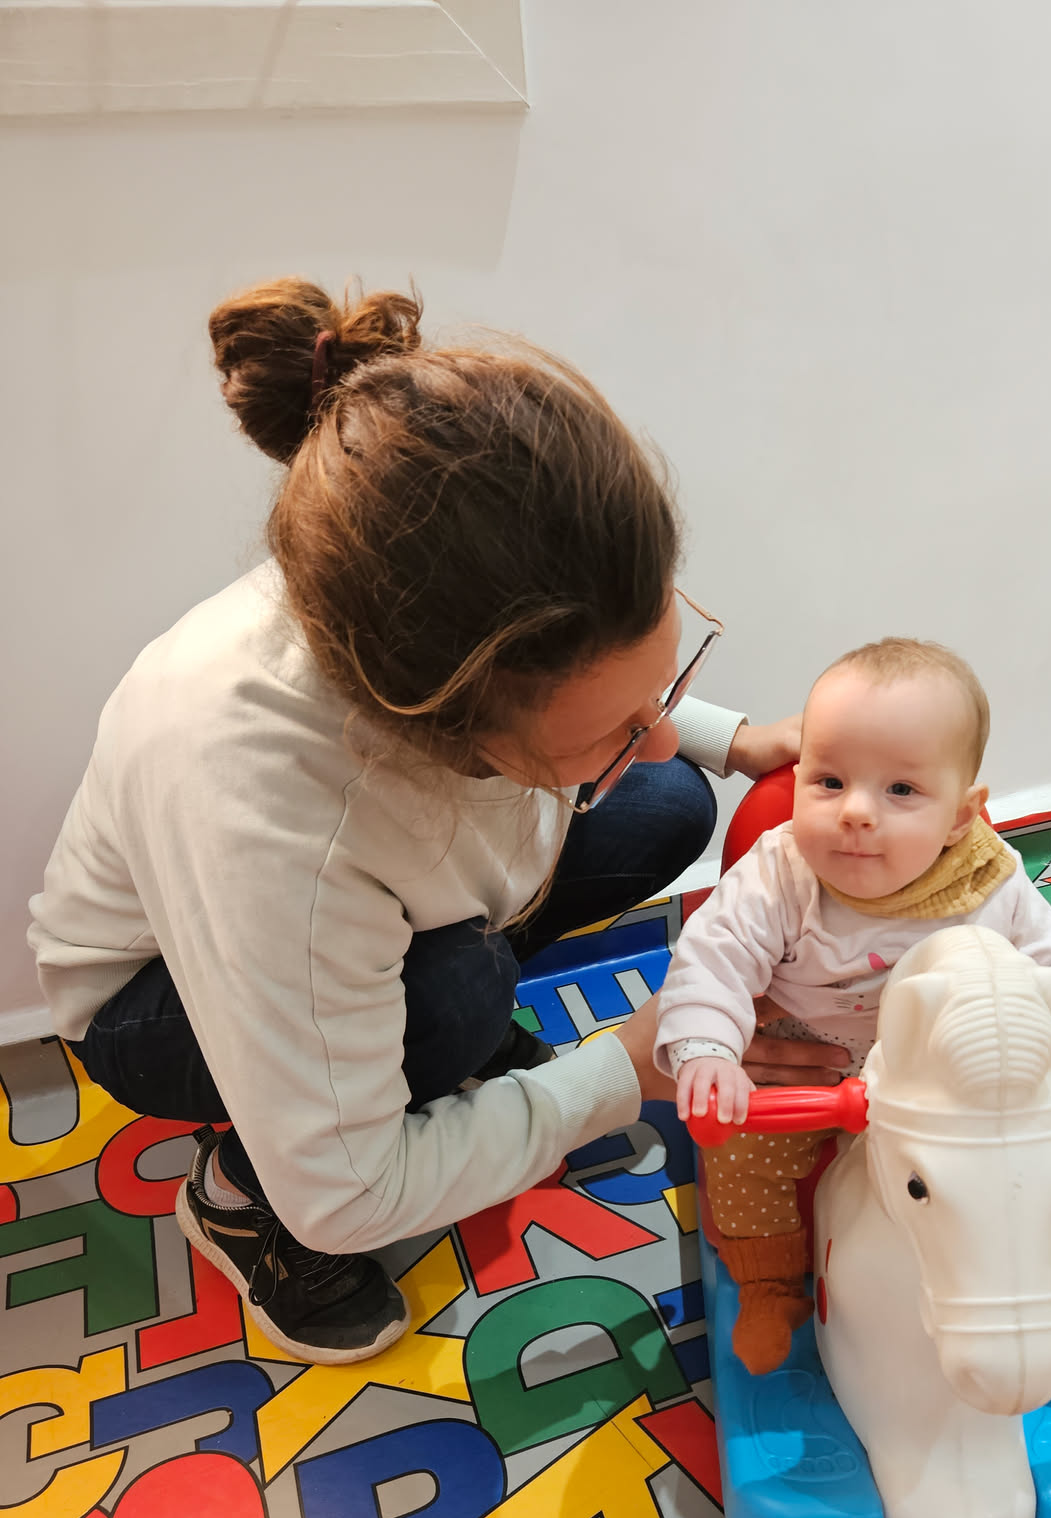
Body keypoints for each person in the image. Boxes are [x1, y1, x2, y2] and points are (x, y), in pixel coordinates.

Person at [28, 277, 845, 1366]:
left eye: (664, 682)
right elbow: (350, 1193)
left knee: (666, 802)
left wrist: (730, 737)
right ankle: (240, 1193)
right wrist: (624, 1071)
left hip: (369, 879)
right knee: (463, 992)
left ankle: (433, 1037)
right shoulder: (275, 810)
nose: (655, 734)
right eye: (616, 724)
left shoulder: (417, 589)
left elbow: (579, 679)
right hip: (157, 1001)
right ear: (448, 715)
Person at [655, 638, 1051, 1377]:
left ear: (961, 817)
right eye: (829, 781)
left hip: (946, 1076)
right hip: (811, 1054)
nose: (856, 811)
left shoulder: (990, 882)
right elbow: (712, 958)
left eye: (900, 790)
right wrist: (708, 1050)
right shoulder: (781, 872)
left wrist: (1032, 1069)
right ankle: (769, 1283)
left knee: (1025, 1171)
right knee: (743, 1151)